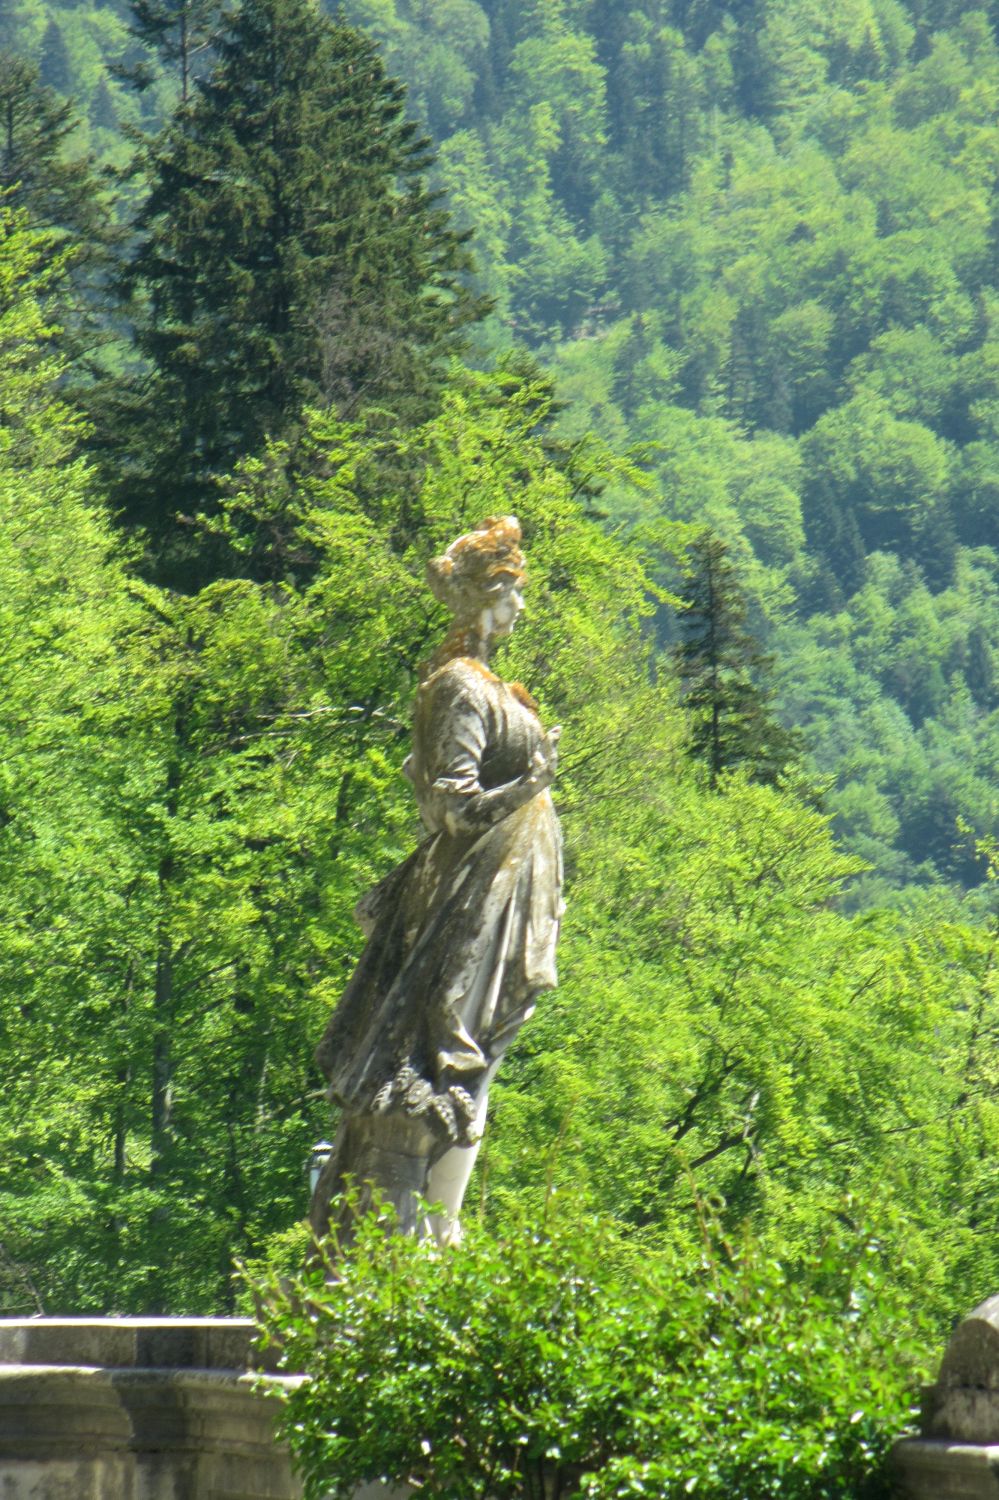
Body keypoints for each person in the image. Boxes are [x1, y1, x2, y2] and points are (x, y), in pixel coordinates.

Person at [310, 515, 563, 1246]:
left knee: (477, 1060)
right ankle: (416, 1234)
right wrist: (530, 785)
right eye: (512, 593)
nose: (520, 607)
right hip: (467, 897)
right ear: (484, 597)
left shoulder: (490, 683)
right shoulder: (458, 685)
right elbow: (453, 809)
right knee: (444, 1061)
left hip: (503, 892)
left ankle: (437, 1230)